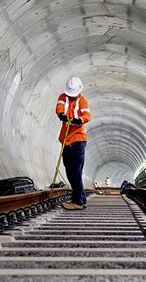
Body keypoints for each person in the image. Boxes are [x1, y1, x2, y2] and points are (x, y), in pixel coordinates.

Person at [56, 76, 91, 210]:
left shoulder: (82, 100)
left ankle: (77, 201)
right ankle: (81, 199)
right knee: (70, 170)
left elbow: (87, 115)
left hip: (78, 140)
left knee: (75, 171)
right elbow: (59, 108)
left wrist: (79, 120)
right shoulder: (62, 97)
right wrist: (61, 115)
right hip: (66, 138)